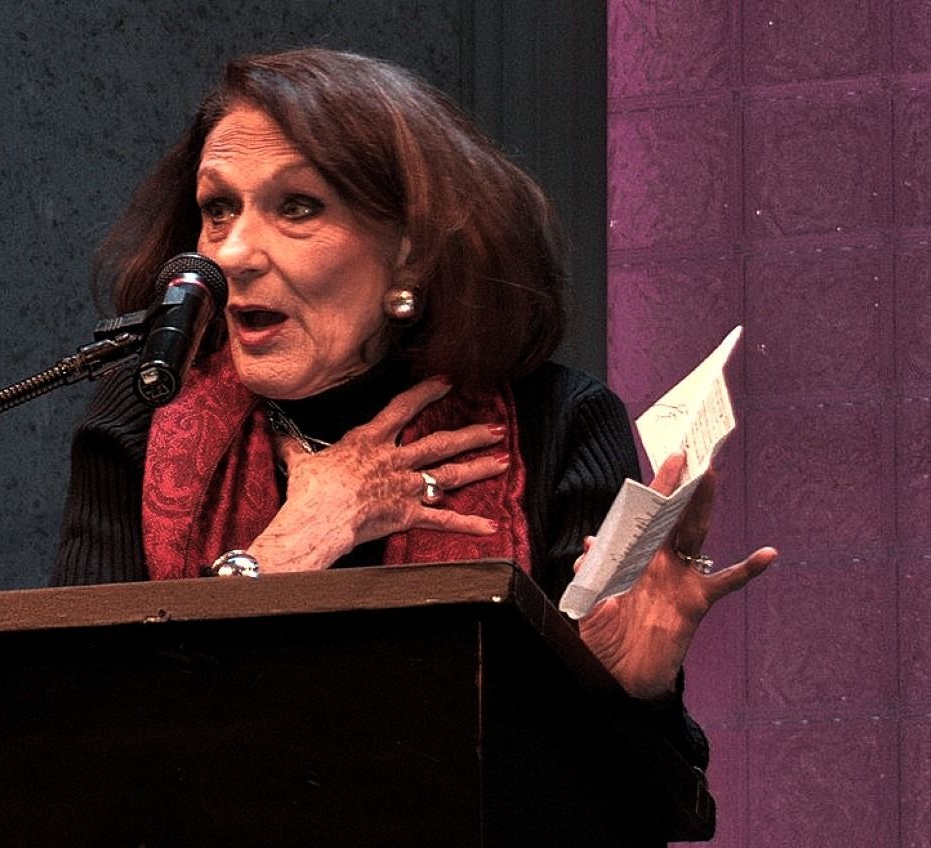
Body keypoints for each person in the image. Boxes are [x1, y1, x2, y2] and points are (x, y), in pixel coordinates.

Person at [50, 48, 776, 763]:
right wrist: (288, 548)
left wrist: (635, 691)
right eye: (217, 210)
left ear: (412, 250)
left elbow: (628, 801)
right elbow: (75, 735)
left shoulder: (559, 420)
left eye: (296, 207)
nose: (233, 253)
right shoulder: (144, 414)